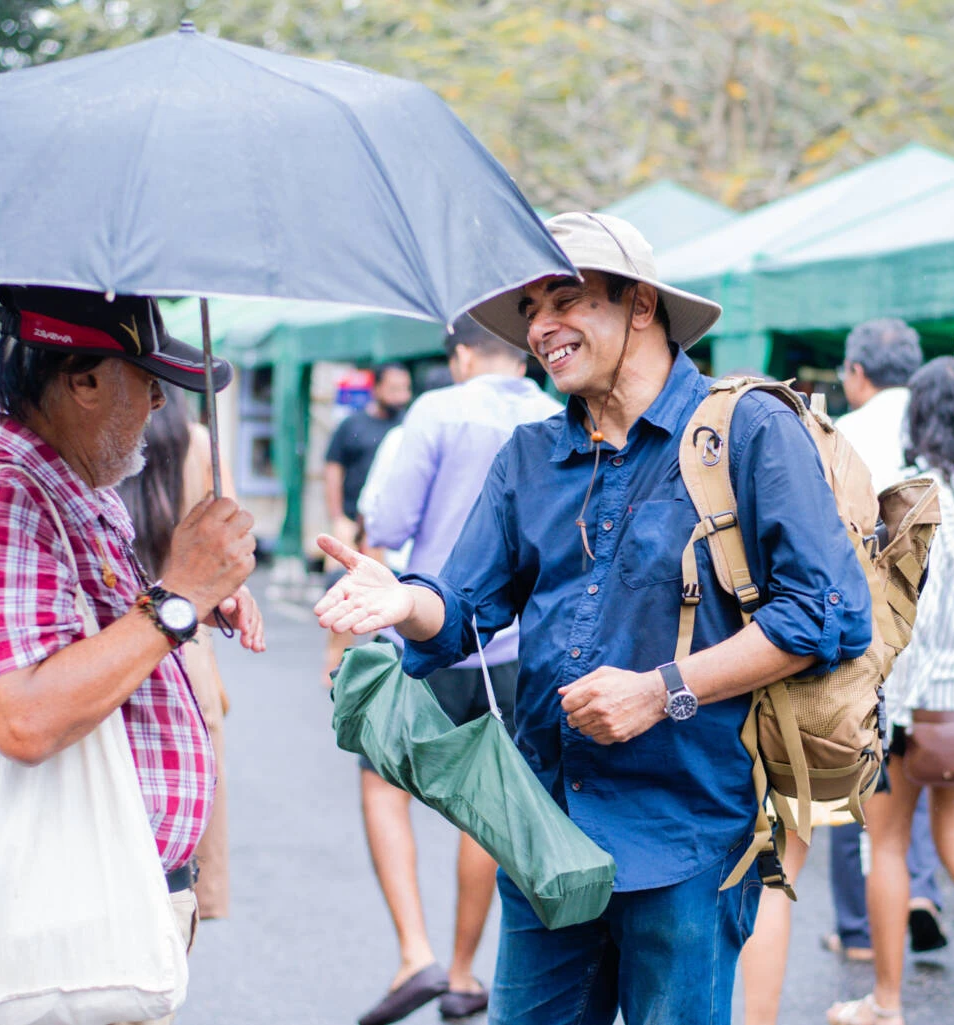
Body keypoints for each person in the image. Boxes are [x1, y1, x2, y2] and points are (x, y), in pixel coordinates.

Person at [314, 212, 872, 1025]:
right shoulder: (529, 457)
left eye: (564, 299)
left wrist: (662, 690)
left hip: (687, 840)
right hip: (546, 838)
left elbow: (828, 612)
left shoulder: (744, 429)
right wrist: (405, 599)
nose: (542, 327)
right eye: (531, 310)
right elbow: (466, 605)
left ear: (640, 304)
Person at [0, 285, 261, 1025]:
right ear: (83, 380)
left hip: (101, 896)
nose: (159, 408)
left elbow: (108, 636)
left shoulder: (74, 486)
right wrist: (177, 595)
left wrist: (196, 597)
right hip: (63, 910)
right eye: (147, 384)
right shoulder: (8, 500)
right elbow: (25, 717)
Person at [352, 319, 561, 1024]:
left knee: (382, 782)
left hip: (429, 628)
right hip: (514, 644)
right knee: (485, 795)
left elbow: (389, 517)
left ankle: (417, 953)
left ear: (463, 353)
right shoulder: (555, 412)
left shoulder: (439, 408)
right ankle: (468, 973)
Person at [829, 356, 954, 1025]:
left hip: (919, 703)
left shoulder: (920, 494)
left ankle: (886, 1002)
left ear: (925, 415)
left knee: (885, 845)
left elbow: (917, 612)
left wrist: (883, 702)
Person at [825, 320, 946, 960]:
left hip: (869, 639)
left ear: (857, 373)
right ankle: (918, 890)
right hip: (939, 642)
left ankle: (860, 929)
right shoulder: (944, 434)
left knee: (855, 774)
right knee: (912, 773)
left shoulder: (847, 435)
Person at [118, 387, 257, 922]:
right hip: (185, 638)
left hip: (112, 634)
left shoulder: (100, 441)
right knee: (179, 865)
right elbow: (236, 547)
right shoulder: (199, 442)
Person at [325, 362, 412, 538]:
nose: (401, 396)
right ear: (377, 388)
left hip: (391, 527)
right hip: (352, 523)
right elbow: (333, 471)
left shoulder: (410, 425)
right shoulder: (351, 425)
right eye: (394, 389)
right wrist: (338, 519)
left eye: (405, 389)